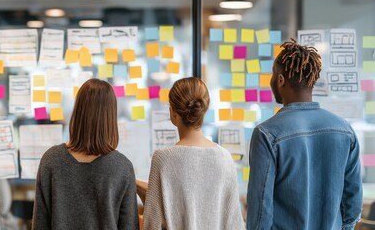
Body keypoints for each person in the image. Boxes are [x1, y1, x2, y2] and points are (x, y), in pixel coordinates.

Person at [247, 39, 362, 229]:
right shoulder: (345, 130)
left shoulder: (267, 134)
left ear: (281, 80)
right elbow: (353, 201)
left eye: (273, 75)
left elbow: (260, 211)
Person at [136, 77, 244, 230]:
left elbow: (152, 225)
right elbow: (234, 224)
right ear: (203, 110)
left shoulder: (163, 159)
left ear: (172, 113)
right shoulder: (224, 158)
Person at [32, 78, 139, 230]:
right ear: (110, 117)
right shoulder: (122, 167)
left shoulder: (51, 160)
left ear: (78, 112)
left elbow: (39, 225)